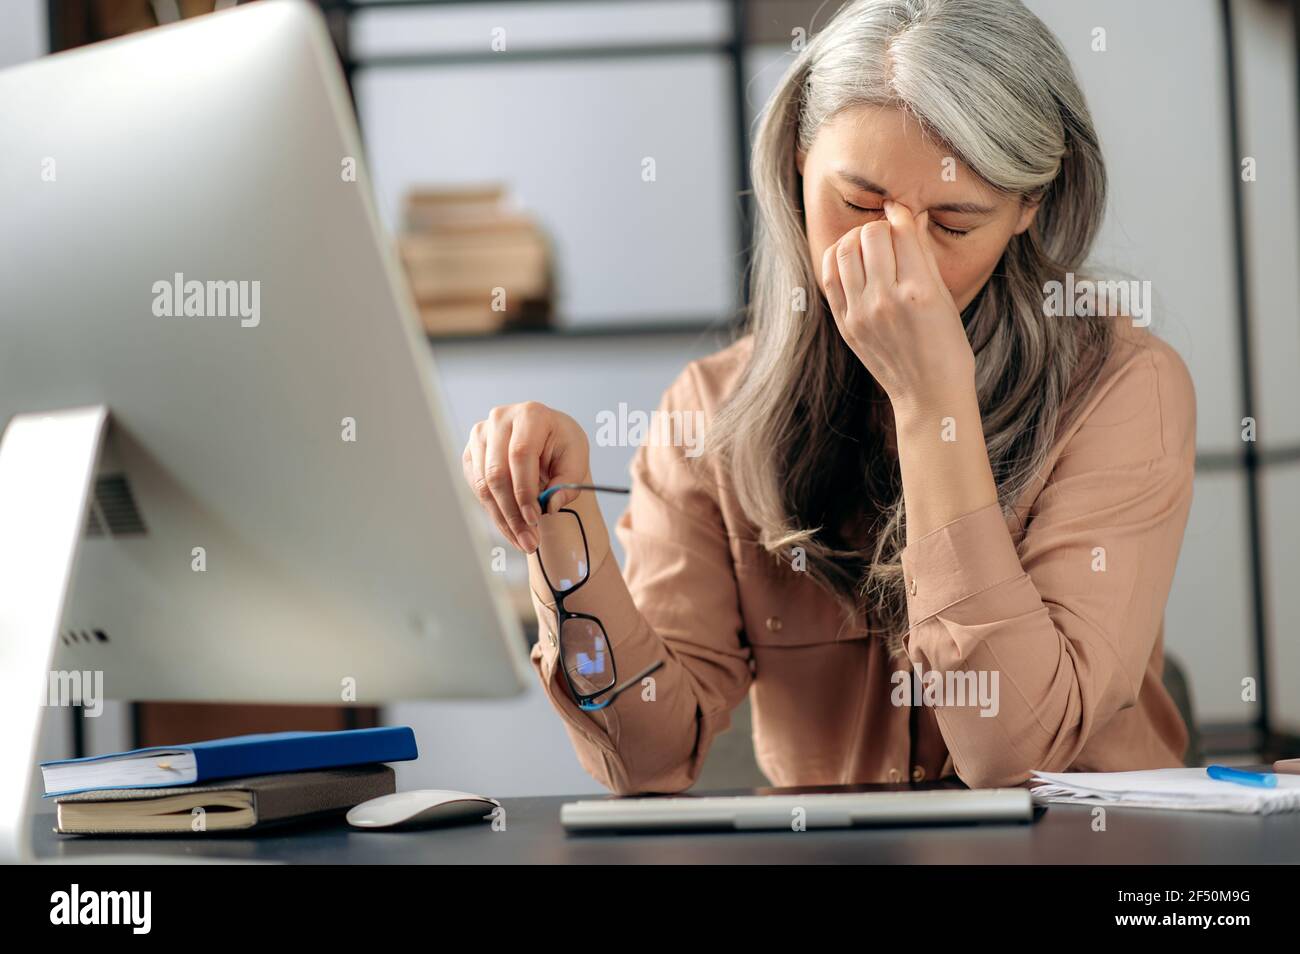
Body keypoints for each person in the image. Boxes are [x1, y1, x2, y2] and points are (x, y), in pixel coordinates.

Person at [461, 0, 1195, 794]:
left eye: (952, 222)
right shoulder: (710, 415)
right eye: (858, 204)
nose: (892, 256)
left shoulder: (1125, 388)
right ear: (798, 165)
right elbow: (646, 759)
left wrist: (929, 405)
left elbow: (1014, 755)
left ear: (1028, 209)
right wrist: (557, 522)